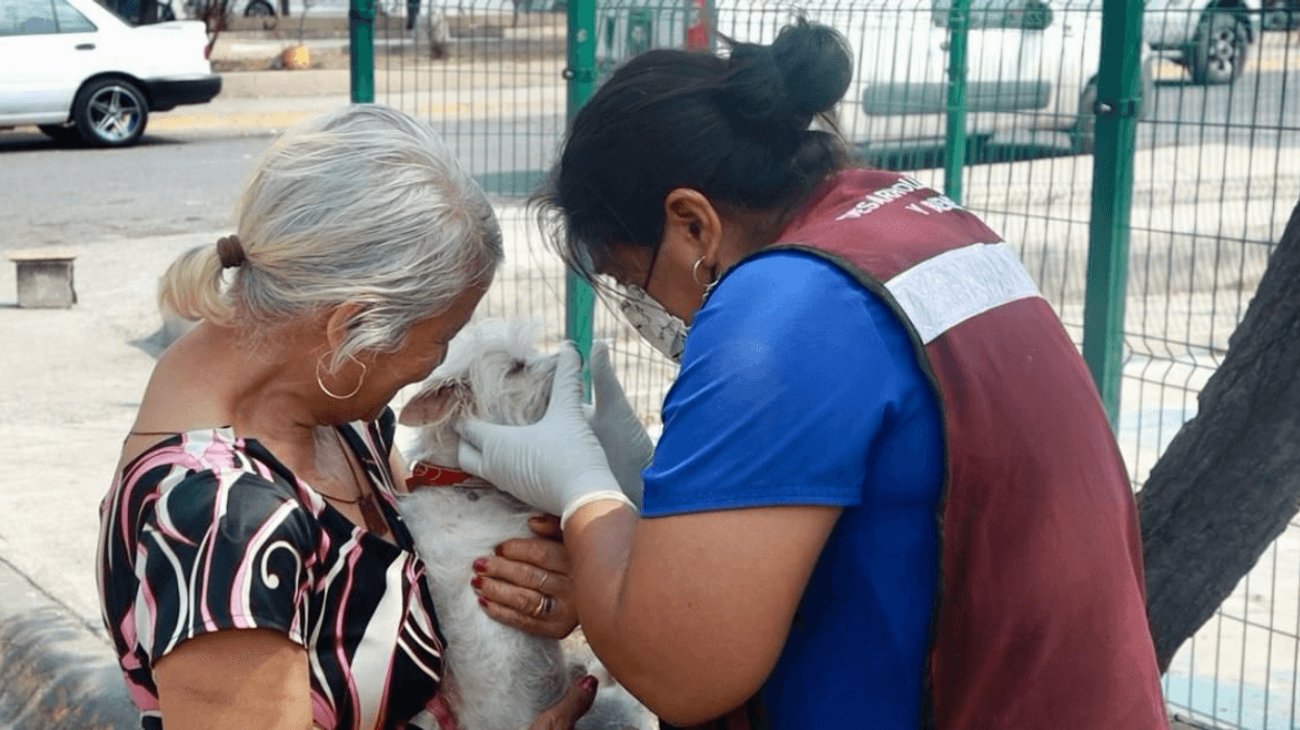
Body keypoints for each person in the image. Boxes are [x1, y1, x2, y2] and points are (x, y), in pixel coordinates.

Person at [453, 19, 1169, 729]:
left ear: (692, 225)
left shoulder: (778, 311)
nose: (643, 307)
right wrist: (631, 555)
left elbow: (681, 670)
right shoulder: (918, 222)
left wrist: (584, 494)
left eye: (631, 279)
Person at [96, 104, 596, 730]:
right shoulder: (222, 522)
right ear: (352, 327)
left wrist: (536, 595)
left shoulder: (332, 413)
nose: (432, 366)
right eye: (440, 338)